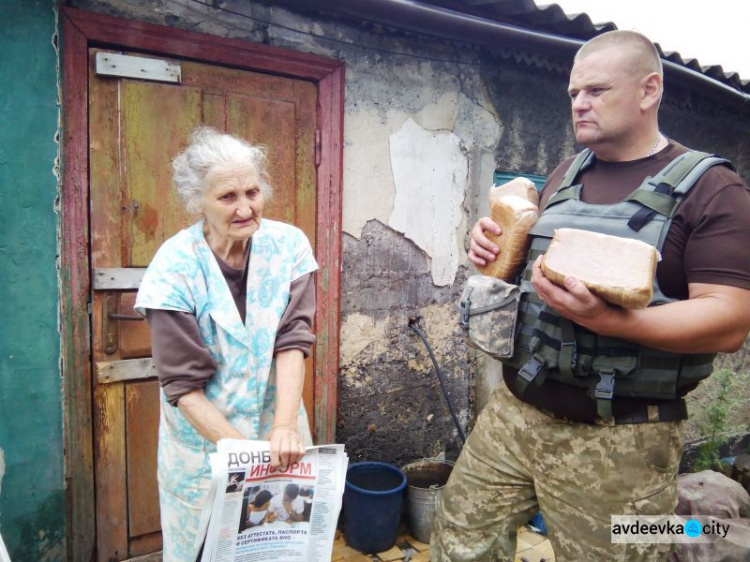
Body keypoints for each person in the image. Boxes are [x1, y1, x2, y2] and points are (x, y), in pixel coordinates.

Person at [431, 30, 750, 561]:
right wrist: (489, 250)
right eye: (574, 93)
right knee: (458, 544)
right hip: (515, 414)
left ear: (649, 90)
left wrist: (617, 323)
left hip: (621, 442)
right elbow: (527, 277)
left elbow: (731, 319)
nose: (579, 103)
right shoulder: (567, 173)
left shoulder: (713, 190)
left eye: (597, 91)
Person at [135, 126, 318, 561]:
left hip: (281, 434)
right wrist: (245, 459)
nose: (245, 208)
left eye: (252, 192)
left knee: (279, 546)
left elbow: (292, 341)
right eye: (227, 197)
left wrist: (283, 426)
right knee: (209, 551)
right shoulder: (174, 268)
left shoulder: (288, 245)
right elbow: (183, 386)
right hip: (205, 448)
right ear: (197, 201)